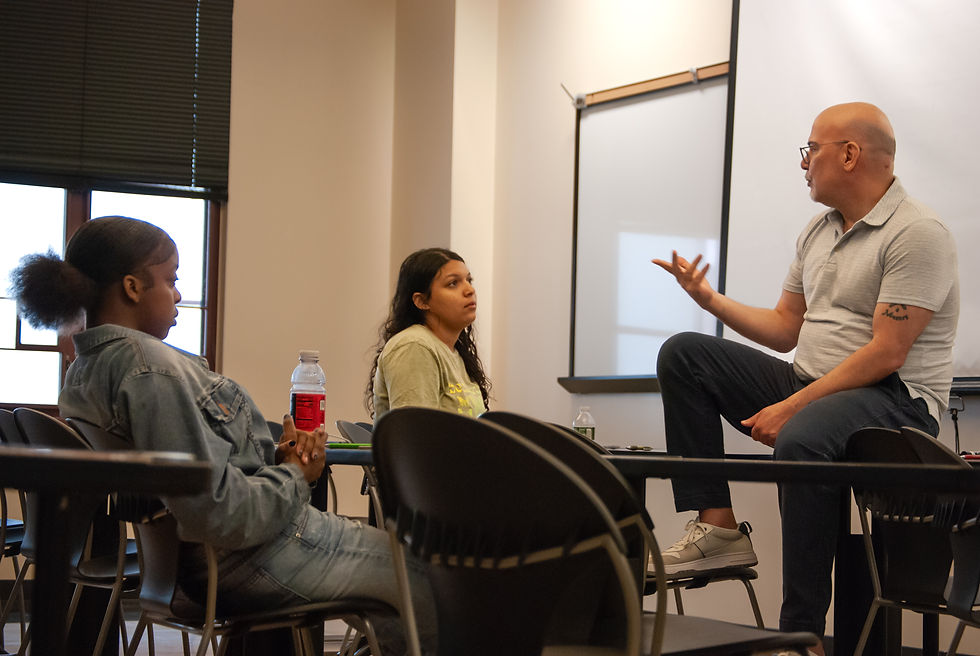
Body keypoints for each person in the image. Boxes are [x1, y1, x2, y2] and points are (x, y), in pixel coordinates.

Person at [10, 216, 436, 655]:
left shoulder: (85, 370)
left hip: (209, 561)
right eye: (171, 280)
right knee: (426, 577)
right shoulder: (150, 370)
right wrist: (294, 475)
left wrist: (276, 460)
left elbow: (204, 482)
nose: (177, 295)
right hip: (248, 558)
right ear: (133, 287)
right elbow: (217, 512)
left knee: (400, 598)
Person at [652, 102, 958, 651]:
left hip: (898, 401)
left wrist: (793, 407)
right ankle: (719, 526)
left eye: (811, 149)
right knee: (685, 355)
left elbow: (888, 354)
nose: (804, 163)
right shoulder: (818, 231)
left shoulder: (918, 232)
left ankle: (800, 636)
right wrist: (709, 299)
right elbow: (784, 328)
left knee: (803, 435)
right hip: (814, 382)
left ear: (849, 154)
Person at [367, 247, 490, 420]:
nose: (469, 290)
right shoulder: (414, 345)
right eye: (453, 283)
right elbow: (416, 435)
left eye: (469, 280)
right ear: (422, 301)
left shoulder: (455, 352)